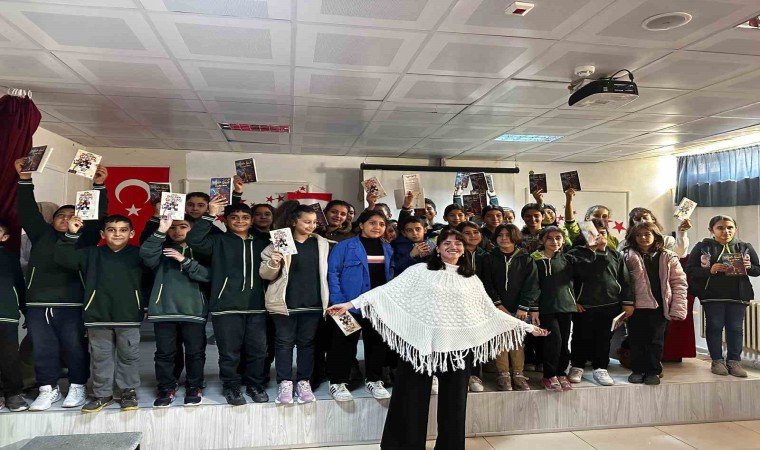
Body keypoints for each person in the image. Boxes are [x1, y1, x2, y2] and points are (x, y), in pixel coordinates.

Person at [327, 229, 548, 450]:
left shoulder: (471, 279)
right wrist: (349, 304)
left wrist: (526, 327)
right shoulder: (419, 271)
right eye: (447, 243)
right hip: (419, 347)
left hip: (457, 349)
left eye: (458, 243)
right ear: (438, 249)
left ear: (463, 250)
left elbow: (489, 312)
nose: (453, 247)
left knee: (455, 404)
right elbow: (385, 292)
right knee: (409, 400)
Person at [14, 158, 108, 412]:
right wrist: (24, 179)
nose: (66, 219)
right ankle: (48, 388)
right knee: (43, 348)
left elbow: (98, 215)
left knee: (74, 347)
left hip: (72, 302)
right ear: (52, 221)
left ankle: (77, 386)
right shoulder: (41, 235)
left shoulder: (85, 238)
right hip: (38, 303)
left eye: (71, 215)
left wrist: (99, 186)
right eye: (60, 216)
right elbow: (27, 210)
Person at [54, 215, 144, 413]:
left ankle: (128, 392)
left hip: (128, 316)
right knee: (100, 358)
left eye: (123, 230)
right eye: (111, 230)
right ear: (103, 234)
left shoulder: (139, 255)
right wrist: (71, 234)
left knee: (129, 357)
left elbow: (149, 280)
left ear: (131, 233)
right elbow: (63, 259)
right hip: (97, 316)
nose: (117, 234)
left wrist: (143, 306)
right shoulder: (91, 253)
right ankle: (102, 394)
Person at [186, 199, 270, 405]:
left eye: (245, 217)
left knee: (258, 351)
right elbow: (194, 240)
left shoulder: (262, 242)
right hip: (225, 306)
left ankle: (255, 384)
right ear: (225, 220)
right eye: (234, 217)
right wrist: (209, 215)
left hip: (257, 306)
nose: (240, 221)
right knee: (229, 353)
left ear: (251, 221)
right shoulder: (217, 241)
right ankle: (231, 386)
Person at [260, 205, 331, 404]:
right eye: (307, 221)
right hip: (285, 303)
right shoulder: (280, 242)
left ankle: (303, 382)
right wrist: (274, 262)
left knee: (307, 344)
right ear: (294, 221)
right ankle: (284, 383)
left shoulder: (321, 243)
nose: (311, 225)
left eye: (314, 222)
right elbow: (265, 274)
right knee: (284, 343)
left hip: (313, 303)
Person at [140, 215, 210, 407]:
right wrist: (161, 229)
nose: (177, 231)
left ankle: (194, 386)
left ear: (192, 229)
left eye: (183, 226)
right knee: (165, 353)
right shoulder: (161, 249)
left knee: (195, 352)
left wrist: (185, 260)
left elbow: (208, 275)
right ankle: (166, 387)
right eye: (173, 227)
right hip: (163, 310)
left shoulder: (201, 250)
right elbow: (145, 254)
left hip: (194, 310)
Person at [326, 210, 393, 402]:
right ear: (361, 225)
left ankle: (374, 379)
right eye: (372, 223)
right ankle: (337, 382)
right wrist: (338, 301)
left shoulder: (387, 248)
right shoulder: (344, 246)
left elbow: (391, 275)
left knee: (377, 343)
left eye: (381, 224)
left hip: (377, 306)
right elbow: (333, 274)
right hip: (347, 306)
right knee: (343, 344)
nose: (377, 227)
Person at [685, 215, 760, 377]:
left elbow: (757, 270)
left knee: (735, 329)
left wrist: (749, 267)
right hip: (712, 295)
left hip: (738, 295)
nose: (726, 231)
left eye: (730, 227)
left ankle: (734, 362)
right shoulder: (702, 247)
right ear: (711, 230)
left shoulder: (744, 247)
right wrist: (710, 270)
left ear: (735, 228)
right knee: (715, 327)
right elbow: (689, 270)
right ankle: (717, 361)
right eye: (720, 228)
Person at [531, 226, 598, 392]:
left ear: (563, 240)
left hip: (565, 306)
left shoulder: (568, 259)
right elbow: (532, 286)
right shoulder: (534, 259)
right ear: (542, 240)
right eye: (549, 238)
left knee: (563, 342)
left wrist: (593, 246)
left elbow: (588, 270)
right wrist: (533, 308)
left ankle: (561, 373)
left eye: (558, 238)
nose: (554, 242)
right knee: (553, 341)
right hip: (546, 307)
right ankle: (549, 375)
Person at [622, 222, 688, 385]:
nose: (643, 238)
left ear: (656, 236)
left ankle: (653, 371)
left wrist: (678, 307)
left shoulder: (668, 256)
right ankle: (637, 370)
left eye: (647, 234)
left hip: (660, 306)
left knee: (656, 341)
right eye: (639, 235)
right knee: (636, 340)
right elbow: (622, 282)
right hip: (635, 307)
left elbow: (679, 282)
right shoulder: (626, 255)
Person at [567, 218, 632, 387]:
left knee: (604, 338)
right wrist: (573, 301)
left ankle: (601, 368)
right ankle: (577, 366)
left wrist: (627, 303)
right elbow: (571, 280)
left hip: (610, 305)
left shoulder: (615, 255)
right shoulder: (574, 255)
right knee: (580, 336)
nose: (598, 237)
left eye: (602, 233)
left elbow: (624, 280)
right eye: (593, 233)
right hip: (584, 306)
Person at [480, 224, 539, 391]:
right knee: (501, 340)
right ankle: (504, 374)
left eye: (508, 235)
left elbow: (532, 285)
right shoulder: (489, 258)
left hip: (519, 308)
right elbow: (487, 284)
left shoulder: (526, 258)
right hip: (497, 308)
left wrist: (524, 307)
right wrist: (497, 304)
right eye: (500, 235)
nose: (504, 238)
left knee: (517, 340)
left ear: (515, 237)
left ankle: (518, 374)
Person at [0, 219, 29, 412]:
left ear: (5, 237)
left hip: (6, 315)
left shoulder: (10, 258)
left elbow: (19, 285)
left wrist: (25, 311)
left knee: (9, 357)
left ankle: (13, 394)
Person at [623, 207, 690, 257]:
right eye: (637, 219)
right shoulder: (625, 243)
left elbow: (679, 254)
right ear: (632, 223)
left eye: (645, 218)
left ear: (653, 220)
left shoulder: (666, 240)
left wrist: (682, 232)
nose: (642, 221)